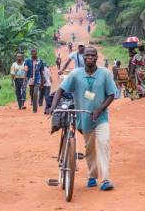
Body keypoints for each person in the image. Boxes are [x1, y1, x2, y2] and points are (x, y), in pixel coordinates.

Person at [50, 46, 119, 191]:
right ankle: (92, 176)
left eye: (93, 55)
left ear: (96, 57)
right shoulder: (75, 74)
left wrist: (99, 109)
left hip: (101, 118)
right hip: (84, 119)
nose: (90, 57)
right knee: (89, 149)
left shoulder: (105, 74)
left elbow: (112, 94)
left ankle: (105, 179)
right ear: (83, 57)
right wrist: (53, 107)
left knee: (103, 143)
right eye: (88, 55)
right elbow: (60, 90)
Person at [24, 48, 45, 113]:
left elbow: (41, 71)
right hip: (30, 78)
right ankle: (33, 101)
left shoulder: (40, 61)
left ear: (36, 53)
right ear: (31, 53)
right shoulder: (27, 61)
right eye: (32, 52)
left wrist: (42, 81)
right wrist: (25, 77)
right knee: (31, 93)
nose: (33, 53)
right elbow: (26, 69)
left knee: (35, 93)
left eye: (34, 52)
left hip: (37, 78)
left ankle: (35, 109)